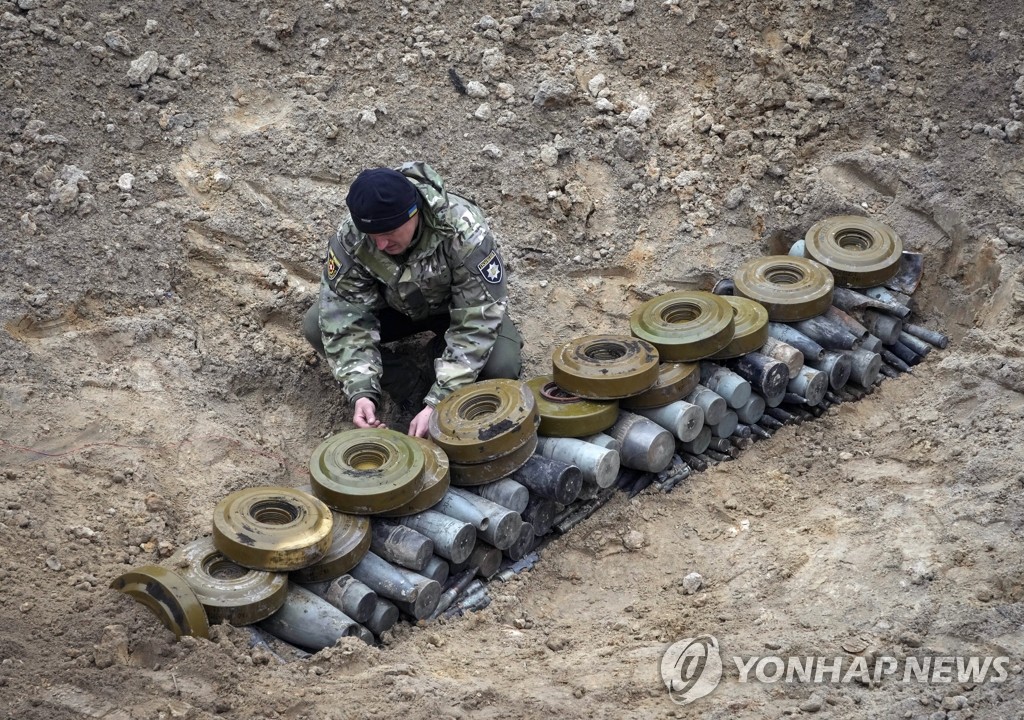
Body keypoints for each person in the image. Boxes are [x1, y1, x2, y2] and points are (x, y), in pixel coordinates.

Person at [303, 161, 523, 437]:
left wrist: (439, 400)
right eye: (373, 236)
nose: (381, 245)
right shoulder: (353, 237)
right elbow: (344, 318)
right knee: (316, 325)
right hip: (397, 309)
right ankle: (407, 383)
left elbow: (478, 318)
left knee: (501, 366)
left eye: (388, 234)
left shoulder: (462, 229)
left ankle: (438, 358)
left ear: (413, 214)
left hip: (457, 310)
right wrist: (360, 391)